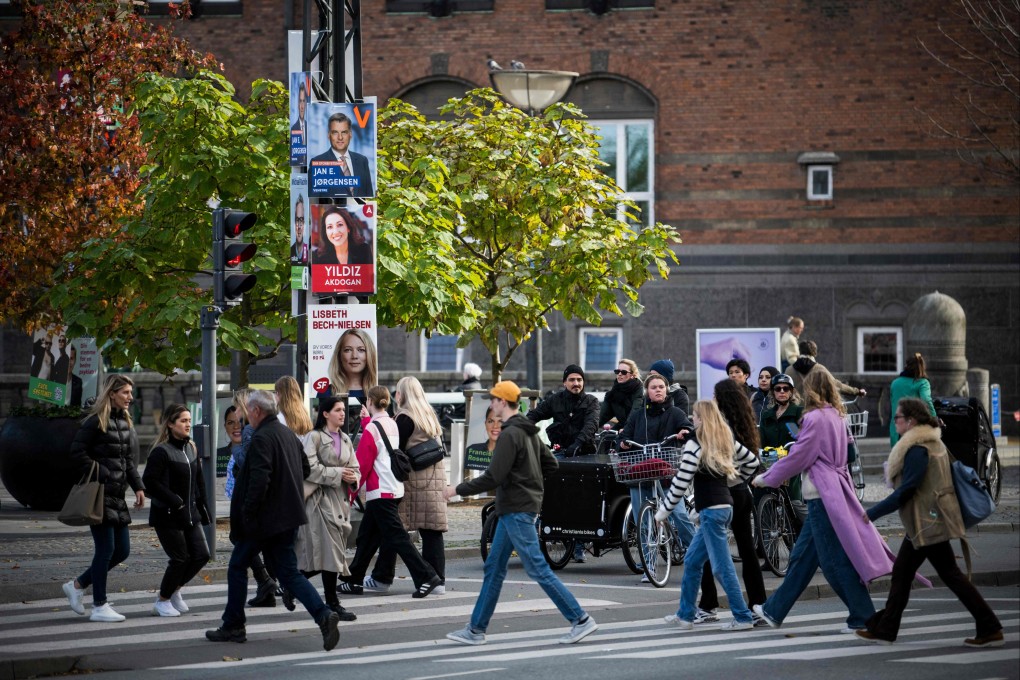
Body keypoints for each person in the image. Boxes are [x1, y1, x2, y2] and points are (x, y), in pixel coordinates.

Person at [444, 380, 598, 646]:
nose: (491, 404)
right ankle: (475, 629)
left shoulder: (510, 434)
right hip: (516, 508)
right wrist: (531, 482)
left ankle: (580, 619)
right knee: (494, 568)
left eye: (493, 400)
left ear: (503, 402)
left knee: (537, 567)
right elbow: (550, 463)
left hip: (517, 508)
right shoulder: (528, 431)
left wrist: (456, 489)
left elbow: (493, 476)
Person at [751, 366, 902, 634]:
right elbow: (849, 454)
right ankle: (775, 610)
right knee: (802, 558)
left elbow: (799, 456)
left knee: (833, 562)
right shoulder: (836, 415)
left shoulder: (814, 418)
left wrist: (767, 478)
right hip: (834, 490)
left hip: (821, 493)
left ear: (810, 388)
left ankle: (862, 616)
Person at [857, 398, 1003, 648]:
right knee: (905, 574)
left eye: (898, 418)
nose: (895, 422)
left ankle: (989, 625)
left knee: (945, 575)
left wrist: (873, 512)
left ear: (911, 421)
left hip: (927, 522)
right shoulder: (931, 442)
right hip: (926, 521)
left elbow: (908, 489)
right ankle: (885, 628)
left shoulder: (918, 448)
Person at [205, 390, 341, 651]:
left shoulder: (261, 438)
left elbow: (259, 480)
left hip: (262, 520)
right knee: (289, 573)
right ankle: (323, 615)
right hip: (287, 517)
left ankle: (233, 625)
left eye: (247, 413)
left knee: (237, 566)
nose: (245, 418)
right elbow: (305, 469)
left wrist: (248, 513)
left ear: (256, 411)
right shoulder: (287, 434)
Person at [657, 400, 759, 631]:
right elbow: (752, 462)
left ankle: (742, 617)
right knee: (693, 562)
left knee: (721, 568)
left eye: (694, 415)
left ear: (701, 418)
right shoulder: (724, 439)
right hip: (721, 508)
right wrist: (731, 480)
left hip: (712, 512)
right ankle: (685, 614)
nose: (692, 419)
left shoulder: (695, 444)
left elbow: (681, 481)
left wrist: (662, 512)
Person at [338, 386, 442, 598]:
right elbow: (381, 446)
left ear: (369, 402)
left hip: (379, 491)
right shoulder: (391, 423)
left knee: (398, 538)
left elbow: (363, 465)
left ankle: (426, 576)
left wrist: (351, 493)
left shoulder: (372, 429)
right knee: (367, 537)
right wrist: (368, 422)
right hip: (394, 488)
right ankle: (354, 578)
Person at [63, 375, 146, 623]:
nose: (130, 397)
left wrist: (138, 487)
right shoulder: (95, 421)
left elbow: (128, 461)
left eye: (131, 392)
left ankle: (77, 585)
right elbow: (76, 452)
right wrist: (103, 471)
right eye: (126, 392)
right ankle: (99, 605)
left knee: (122, 551)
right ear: (112, 393)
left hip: (117, 495)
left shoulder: (124, 422)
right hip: (99, 494)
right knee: (106, 549)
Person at [694, 379, 766, 625]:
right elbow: (752, 461)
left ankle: (708, 604)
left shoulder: (719, 424)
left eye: (715, 395)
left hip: (721, 494)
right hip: (742, 492)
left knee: (703, 552)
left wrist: (729, 479)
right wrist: (741, 479)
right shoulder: (744, 421)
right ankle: (758, 605)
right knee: (747, 552)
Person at [368, 376, 449, 594]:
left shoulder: (404, 418)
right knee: (432, 530)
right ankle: (438, 580)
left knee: (393, 528)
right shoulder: (429, 415)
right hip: (434, 479)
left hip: (414, 483)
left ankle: (382, 577)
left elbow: (394, 449)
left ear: (401, 394)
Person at [619, 373, 696, 574]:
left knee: (680, 515)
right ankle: (649, 567)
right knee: (643, 524)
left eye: (662, 386)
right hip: (641, 477)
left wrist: (684, 433)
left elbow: (688, 429)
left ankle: (697, 552)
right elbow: (624, 437)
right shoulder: (637, 415)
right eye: (654, 387)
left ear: (667, 389)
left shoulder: (676, 413)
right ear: (647, 391)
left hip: (668, 476)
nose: (658, 390)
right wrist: (623, 443)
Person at [294, 395, 360, 622]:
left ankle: (292, 582)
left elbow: (355, 467)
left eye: (343, 410)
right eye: (338, 410)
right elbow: (310, 469)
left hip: (340, 501)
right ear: (325, 413)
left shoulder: (346, 439)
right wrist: (340, 474)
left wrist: (353, 478)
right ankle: (333, 603)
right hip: (319, 501)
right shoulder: (313, 437)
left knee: (327, 556)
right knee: (331, 554)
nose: (343, 413)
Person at [142, 403, 211, 617]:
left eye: (189, 420)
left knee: (201, 555)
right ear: (171, 424)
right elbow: (150, 482)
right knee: (180, 559)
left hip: (190, 514)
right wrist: (175, 501)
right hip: (168, 516)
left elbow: (199, 482)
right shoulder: (161, 452)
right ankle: (162, 600)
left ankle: (174, 591)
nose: (188, 424)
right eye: (183, 421)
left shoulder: (191, 447)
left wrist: (204, 510)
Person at [224, 389, 280, 608]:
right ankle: (265, 586)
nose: (236, 413)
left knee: (241, 539)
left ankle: (265, 582)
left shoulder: (248, 431)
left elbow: (247, 462)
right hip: (261, 496)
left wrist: (235, 447)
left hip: (251, 496)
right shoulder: (260, 428)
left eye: (237, 407)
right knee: (257, 542)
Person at [758, 373, 807, 527]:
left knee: (793, 499)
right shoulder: (767, 415)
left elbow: (801, 437)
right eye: (778, 389)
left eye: (786, 388)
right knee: (765, 495)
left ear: (791, 391)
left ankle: (812, 527)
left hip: (792, 460)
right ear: (773, 392)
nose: (782, 391)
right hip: (771, 460)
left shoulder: (797, 412)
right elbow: (762, 439)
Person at [526, 364, 599, 458]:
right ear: (564, 382)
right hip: (560, 451)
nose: (576, 383)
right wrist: (523, 430)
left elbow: (591, 425)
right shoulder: (555, 400)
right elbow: (535, 414)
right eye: (572, 380)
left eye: (579, 380)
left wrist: (577, 444)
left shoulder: (591, 401)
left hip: (585, 453)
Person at [309, 112, 374, 197]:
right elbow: (313, 201)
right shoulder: (318, 163)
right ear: (329, 135)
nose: (340, 137)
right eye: (335, 132)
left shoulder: (362, 161)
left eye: (344, 132)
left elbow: (368, 196)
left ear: (350, 134)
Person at [787, 340, 866, 400]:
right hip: (813, 411)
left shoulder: (788, 370)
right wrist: (856, 391)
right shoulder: (819, 369)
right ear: (814, 353)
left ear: (799, 351)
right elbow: (836, 385)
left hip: (795, 412)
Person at [887, 352, 937, 446]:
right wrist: (934, 418)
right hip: (914, 430)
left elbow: (893, 404)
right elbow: (926, 400)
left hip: (896, 429)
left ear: (906, 366)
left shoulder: (895, 383)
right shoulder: (922, 383)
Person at [327, 328, 378, 407]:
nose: (354, 356)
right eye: (348, 350)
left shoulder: (377, 393)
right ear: (339, 355)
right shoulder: (326, 392)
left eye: (361, 350)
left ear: (369, 354)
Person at [599, 359, 643, 429]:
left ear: (632, 375)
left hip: (638, 429)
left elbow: (635, 413)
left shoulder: (639, 391)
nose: (619, 374)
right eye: (617, 371)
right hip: (623, 428)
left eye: (624, 372)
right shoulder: (613, 393)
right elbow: (602, 416)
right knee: (606, 437)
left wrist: (626, 430)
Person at [216, 405, 242, 478]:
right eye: (231, 423)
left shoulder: (256, 453)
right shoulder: (216, 455)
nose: (236, 426)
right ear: (225, 426)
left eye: (240, 421)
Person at [290, 195, 308, 264]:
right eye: (297, 220)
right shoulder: (290, 250)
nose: (299, 227)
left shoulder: (310, 251)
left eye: (302, 219)